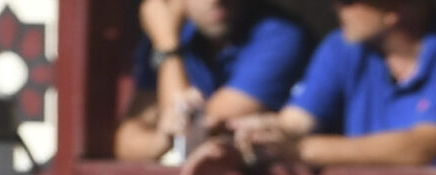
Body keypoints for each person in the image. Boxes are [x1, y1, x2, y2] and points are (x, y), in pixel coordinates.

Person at [225, 1, 436, 170]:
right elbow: (293, 122)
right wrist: (249, 135)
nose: (336, 7)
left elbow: (419, 149)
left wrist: (300, 151)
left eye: (348, 1)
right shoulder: (344, 46)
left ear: (394, 9)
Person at [114, 0, 310, 164]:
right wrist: (158, 142)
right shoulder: (173, 31)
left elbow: (193, 132)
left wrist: (169, 49)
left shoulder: (279, 34)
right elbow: (126, 143)